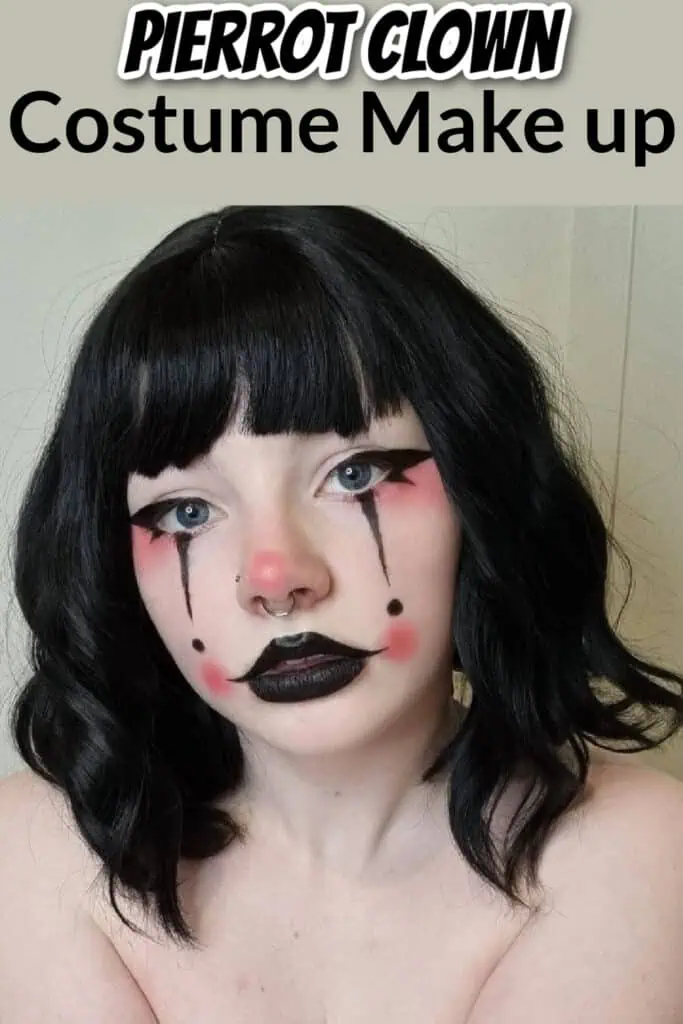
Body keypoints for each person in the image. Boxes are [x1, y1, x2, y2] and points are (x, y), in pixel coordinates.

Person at [2, 205, 683, 1023]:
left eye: (355, 475)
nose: (276, 578)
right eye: (185, 514)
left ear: (480, 492)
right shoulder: (34, 856)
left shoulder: (638, 849)